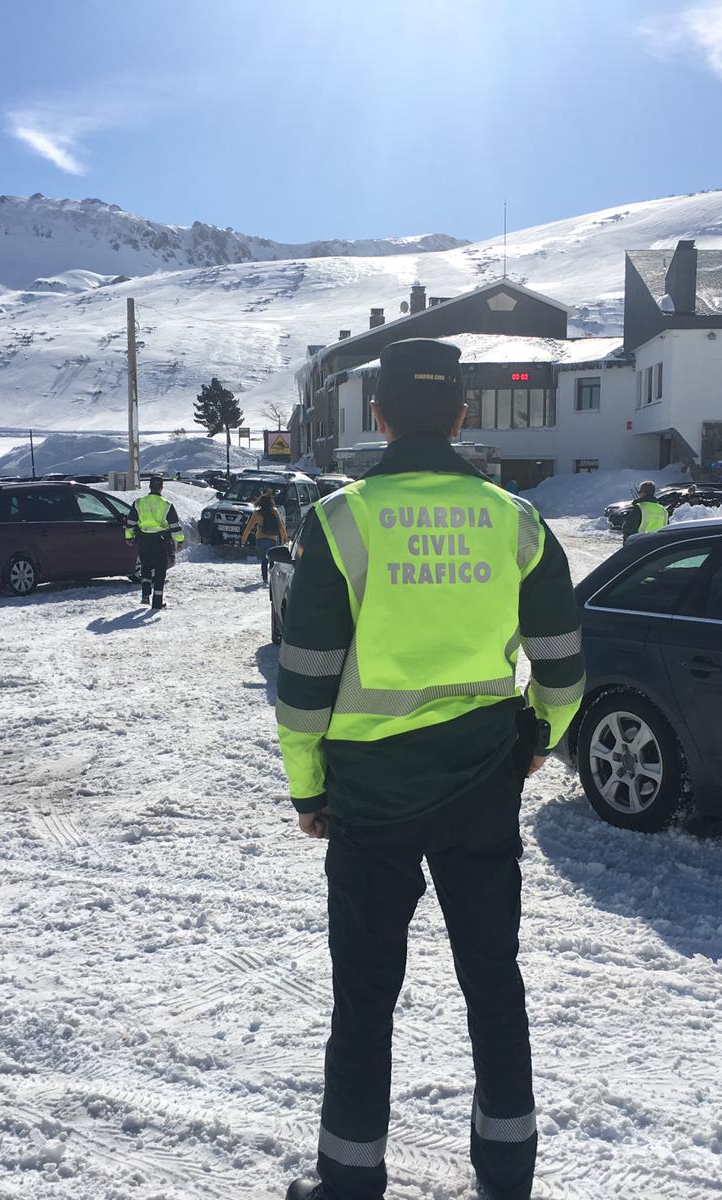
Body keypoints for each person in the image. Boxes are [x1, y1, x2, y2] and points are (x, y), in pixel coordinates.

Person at [276, 338, 584, 1200]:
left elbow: (304, 681)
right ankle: (507, 1176)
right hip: (483, 782)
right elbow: (561, 666)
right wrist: (537, 738)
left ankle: (349, 1182)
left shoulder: (340, 519)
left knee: (365, 998)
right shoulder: (514, 518)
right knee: (493, 980)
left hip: (370, 797)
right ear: (463, 413)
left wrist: (308, 785)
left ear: (376, 417)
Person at [125, 476, 185, 609]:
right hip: (161, 542)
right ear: (161, 487)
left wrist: (129, 538)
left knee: (146, 568)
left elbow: (130, 523)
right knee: (160, 572)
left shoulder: (138, 503)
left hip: (143, 540)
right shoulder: (166, 504)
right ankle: (157, 603)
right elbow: (174, 525)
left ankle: (145, 596)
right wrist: (180, 540)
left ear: (150, 487)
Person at [242, 490, 288, 584]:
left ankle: (265, 579)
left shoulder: (257, 513)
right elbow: (281, 525)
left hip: (260, 539)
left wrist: (244, 538)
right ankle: (272, 575)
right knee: (272, 558)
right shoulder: (274, 511)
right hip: (272, 538)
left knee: (264, 559)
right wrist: (284, 537)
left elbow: (249, 526)